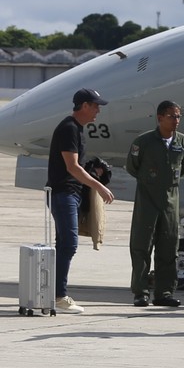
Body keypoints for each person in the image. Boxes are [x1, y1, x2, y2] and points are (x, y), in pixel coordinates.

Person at [45, 88, 116, 313]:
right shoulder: (69, 128)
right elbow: (71, 167)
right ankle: (59, 296)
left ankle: (54, 293)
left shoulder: (77, 129)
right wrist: (100, 187)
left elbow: (76, 165)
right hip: (63, 193)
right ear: (84, 106)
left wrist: (94, 172)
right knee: (69, 244)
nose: (98, 111)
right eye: (95, 106)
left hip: (70, 193)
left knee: (64, 244)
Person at [125, 100, 184, 308]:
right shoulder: (143, 142)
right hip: (147, 201)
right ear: (160, 118)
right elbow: (132, 167)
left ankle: (164, 292)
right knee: (141, 247)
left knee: (169, 247)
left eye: (179, 116)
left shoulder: (183, 141)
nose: (176, 121)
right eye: (172, 116)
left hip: (170, 202)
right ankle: (141, 292)